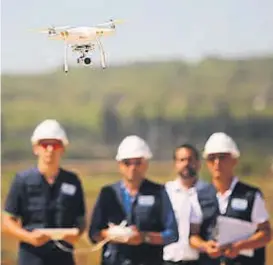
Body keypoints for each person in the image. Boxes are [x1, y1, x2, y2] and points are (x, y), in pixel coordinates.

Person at [3, 119, 86, 265]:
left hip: (63, 258)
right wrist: (29, 237)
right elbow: (7, 220)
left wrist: (76, 235)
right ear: (36, 148)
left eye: (55, 145)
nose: (50, 149)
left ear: (63, 148)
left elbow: (80, 219)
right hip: (31, 257)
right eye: (44, 144)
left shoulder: (72, 181)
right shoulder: (22, 180)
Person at [89, 135, 179, 265]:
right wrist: (111, 235)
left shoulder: (159, 193)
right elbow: (94, 233)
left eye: (138, 162)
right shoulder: (107, 194)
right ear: (119, 165)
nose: (133, 167)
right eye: (127, 162)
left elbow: (172, 234)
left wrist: (144, 237)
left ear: (146, 163)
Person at [189, 132, 272, 265]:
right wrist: (205, 246)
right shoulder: (197, 196)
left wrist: (240, 246)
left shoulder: (250, 195)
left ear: (234, 160)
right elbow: (193, 236)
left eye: (222, 157)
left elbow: (266, 233)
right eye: (212, 158)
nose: (217, 162)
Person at [164, 144, 209, 265]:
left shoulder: (209, 192)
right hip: (169, 259)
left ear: (198, 164)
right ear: (175, 164)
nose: (186, 163)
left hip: (201, 260)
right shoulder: (165, 192)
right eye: (182, 160)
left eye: (190, 159)